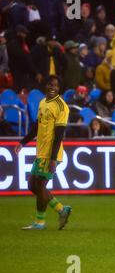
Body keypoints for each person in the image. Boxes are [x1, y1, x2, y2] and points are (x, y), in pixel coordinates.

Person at [14, 75, 72, 230]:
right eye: (49, 84)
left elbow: (59, 134)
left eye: (55, 85)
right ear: (45, 86)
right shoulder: (42, 103)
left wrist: (53, 159)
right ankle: (61, 209)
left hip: (51, 154)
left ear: (59, 88)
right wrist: (23, 142)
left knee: (39, 185)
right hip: (41, 152)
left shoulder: (61, 106)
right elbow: (37, 127)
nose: (52, 87)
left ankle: (40, 222)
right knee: (32, 185)